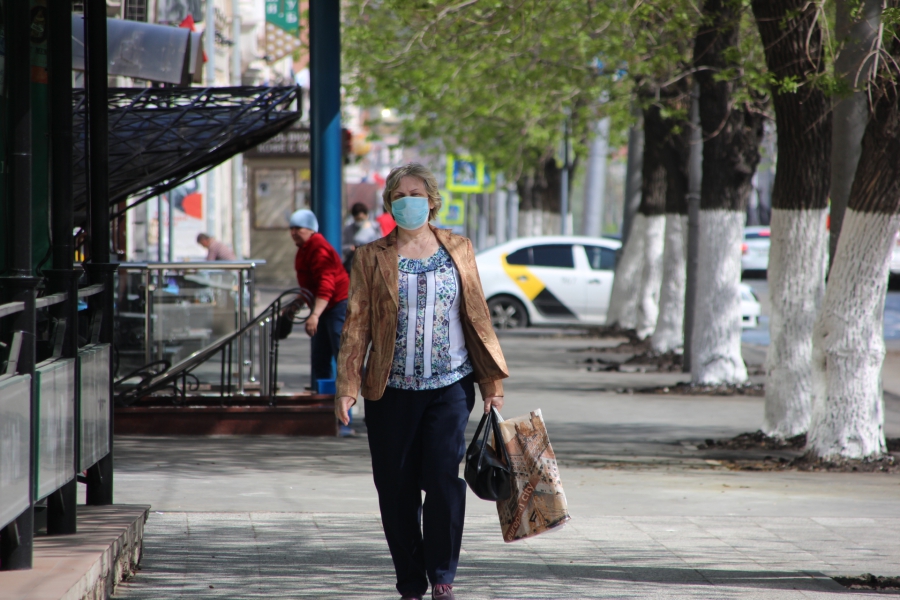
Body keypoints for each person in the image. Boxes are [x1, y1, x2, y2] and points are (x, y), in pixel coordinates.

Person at [335, 163, 508, 600]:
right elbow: (356, 325)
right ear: (389, 204)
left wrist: (491, 383)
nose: (407, 202)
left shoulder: (458, 249)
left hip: (450, 387)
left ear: (431, 201)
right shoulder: (371, 256)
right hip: (390, 391)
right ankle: (411, 583)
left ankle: (442, 575)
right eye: (398, 195)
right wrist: (347, 387)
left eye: (415, 194)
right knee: (396, 490)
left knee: (444, 480)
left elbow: (477, 317)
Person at [287, 209, 350, 389]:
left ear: (310, 229)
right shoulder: (303, 250)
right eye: (291, 229)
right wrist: (294, 306)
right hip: (323, 307)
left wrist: (314, 315)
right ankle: (324, 395)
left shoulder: (319, 248)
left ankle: (350, 393)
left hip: (337, 304)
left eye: (298, 228)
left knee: (342, 352)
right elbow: (308, 287)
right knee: (319, 356)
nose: (293, 233)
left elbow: (326, 285)